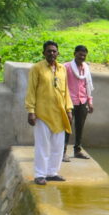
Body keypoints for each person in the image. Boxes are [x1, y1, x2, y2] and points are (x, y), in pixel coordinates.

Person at [25, 40, 73, 185]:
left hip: (60, 114)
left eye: (54, 51)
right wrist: (31, 111)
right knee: (42, 145)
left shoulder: (62, 69)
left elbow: (66, 91)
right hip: (43, 113)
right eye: (49, 51)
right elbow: (31, 90)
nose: (52, 53)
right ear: (43, 53)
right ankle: (40, 174)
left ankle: (52, 172)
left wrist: (69, 109)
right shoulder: (37, 68)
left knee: (58, 146)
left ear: (58, 53)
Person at [63, 44, 94, 160]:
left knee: (80, 127)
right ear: (74, 54)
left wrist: (90, 102)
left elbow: (88, 85)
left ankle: (77, 151)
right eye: (80, 54)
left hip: (83, 101)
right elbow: (62, 85)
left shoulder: (86, 68)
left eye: (84, 55)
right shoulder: (66, 67)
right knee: (66, 127)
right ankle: (63, 152)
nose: (82, 57)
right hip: (69, 102)